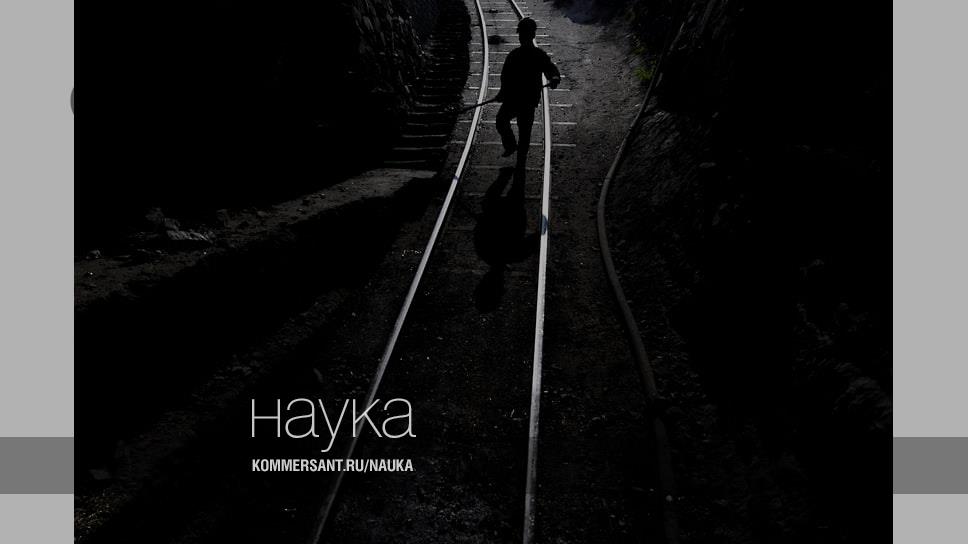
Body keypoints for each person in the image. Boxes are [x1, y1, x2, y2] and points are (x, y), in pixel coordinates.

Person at [493, 18, 561, 167]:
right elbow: (505, 78)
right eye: (521, 34)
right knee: (515, 128)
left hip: (524, 101)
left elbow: (550, 69)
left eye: (523, 34)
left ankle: (515, 153)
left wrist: (554, 77)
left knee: (508, 124)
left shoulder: (522, 55)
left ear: (529, 35)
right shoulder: (529, 55)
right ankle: (514, 151)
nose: (521, 37)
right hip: (521, 100)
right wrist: (502, 93)